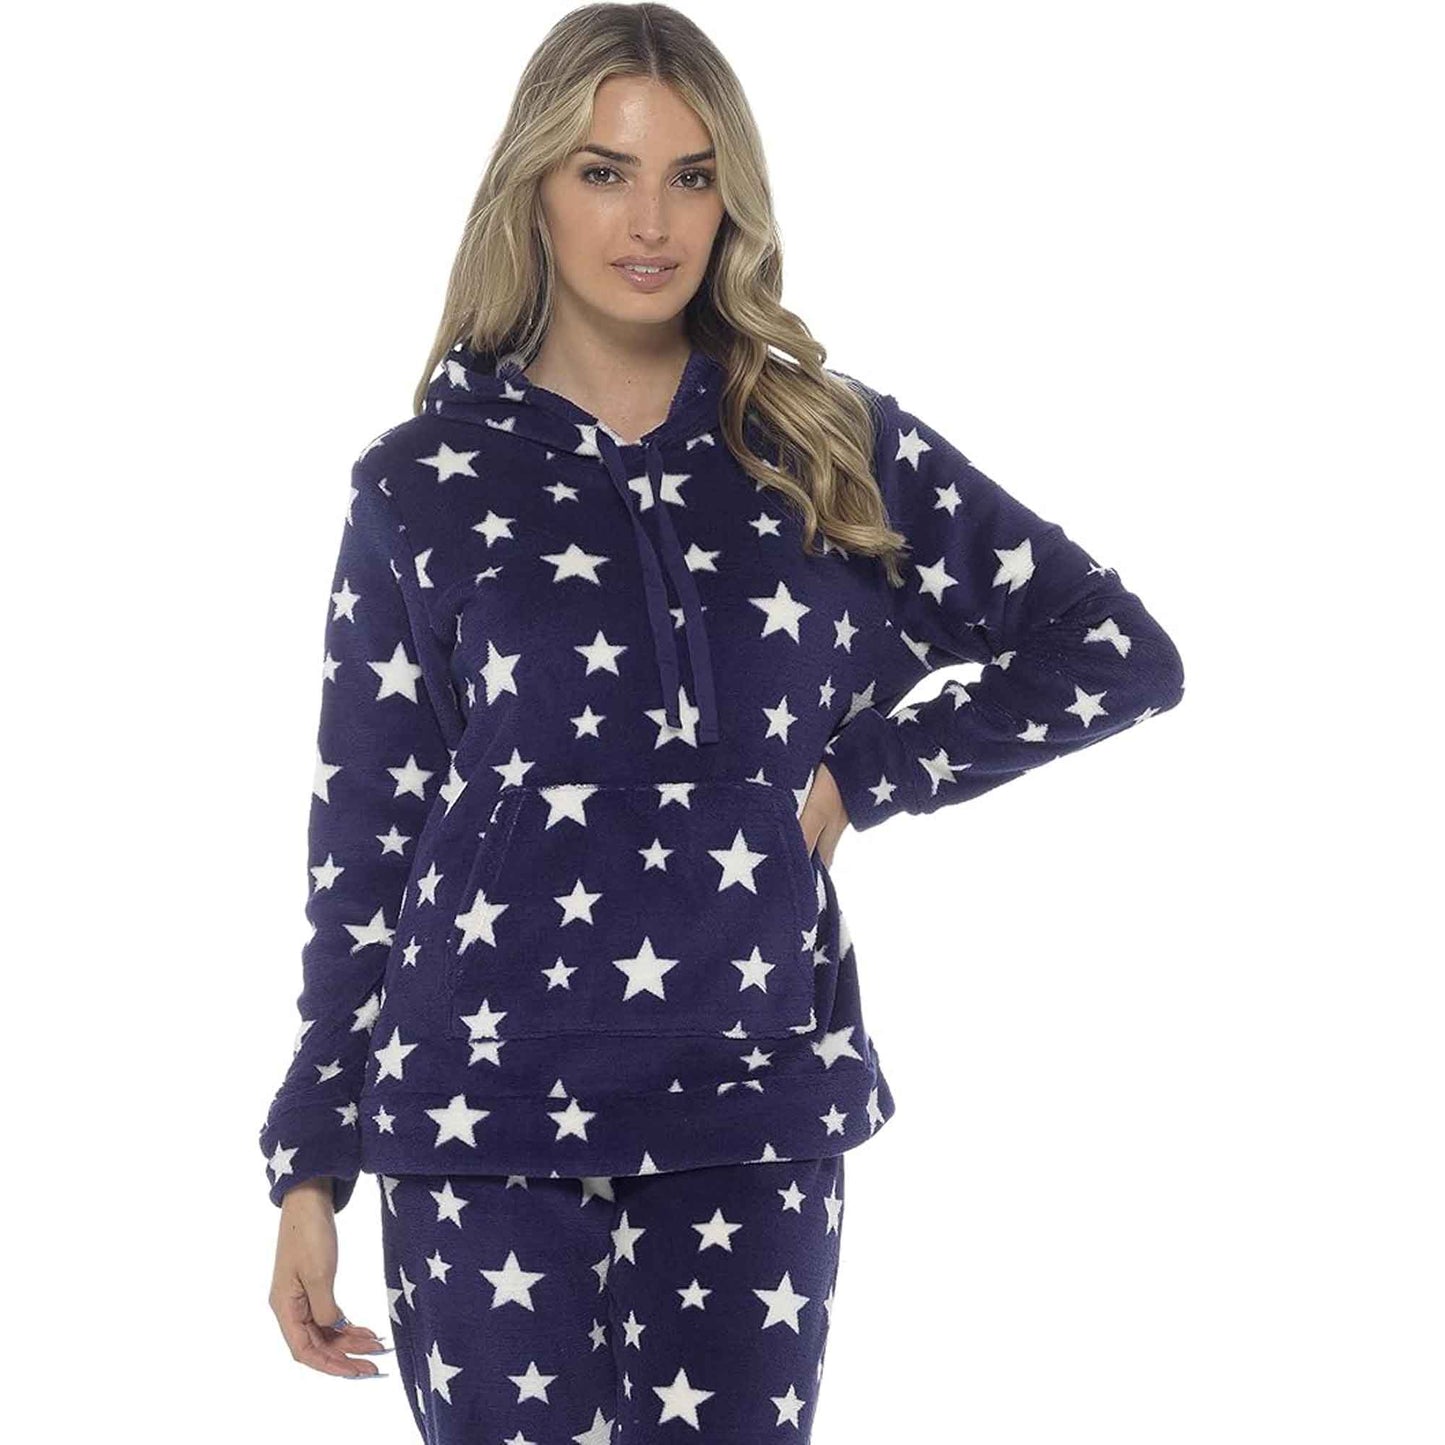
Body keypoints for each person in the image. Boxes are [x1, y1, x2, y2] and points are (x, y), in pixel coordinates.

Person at [260, 4, 1187, 1439]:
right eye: (605, 172)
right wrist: (311, 1163)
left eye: (691, 177)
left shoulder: (825, 443)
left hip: (747, 1102)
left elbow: (1115, 650)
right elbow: (366, 836)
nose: (652, 222)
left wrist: (864, 774)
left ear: (731, 200)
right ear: (532, 189)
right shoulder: (422, 481)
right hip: (476, 1118)